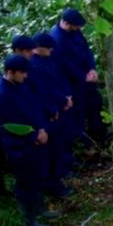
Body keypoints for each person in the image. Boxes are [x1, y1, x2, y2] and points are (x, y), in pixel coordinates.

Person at [0, 55, 53, 226]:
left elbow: (34, 108)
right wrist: (34, 136)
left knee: (37, 176)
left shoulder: (21, 85)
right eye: (22, 73)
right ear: (10, 73)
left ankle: (40, 208)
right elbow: (7, 127)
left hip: (36, 139)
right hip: (19, 147)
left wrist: (41, 128)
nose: (25, 76)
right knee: (25, 182)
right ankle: (31, 218)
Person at [50, 8, 107, 146]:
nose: (79, 28)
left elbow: (86, 50)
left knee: (95, 103)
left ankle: (99, 132)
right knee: (79, 112)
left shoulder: (75, 31)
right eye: (77, 26)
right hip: (74, 84)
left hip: (88, 78)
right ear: (67, 23)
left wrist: (92, 68)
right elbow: (64, 65)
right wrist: (83, 76)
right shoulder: (57, 39)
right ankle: (86, 141)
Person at [31, 32, 75, 195]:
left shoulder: (49, 59)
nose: (51, 50)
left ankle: (63, 170)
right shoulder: (34, 66)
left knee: (62, 143)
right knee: (51, 151)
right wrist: (55, 108)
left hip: (61, 106)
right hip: (49, 113)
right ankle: (54, 186)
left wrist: (67, 97)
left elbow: (60, 79)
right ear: (37, 48)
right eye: (47, 48)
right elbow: (42, 92)